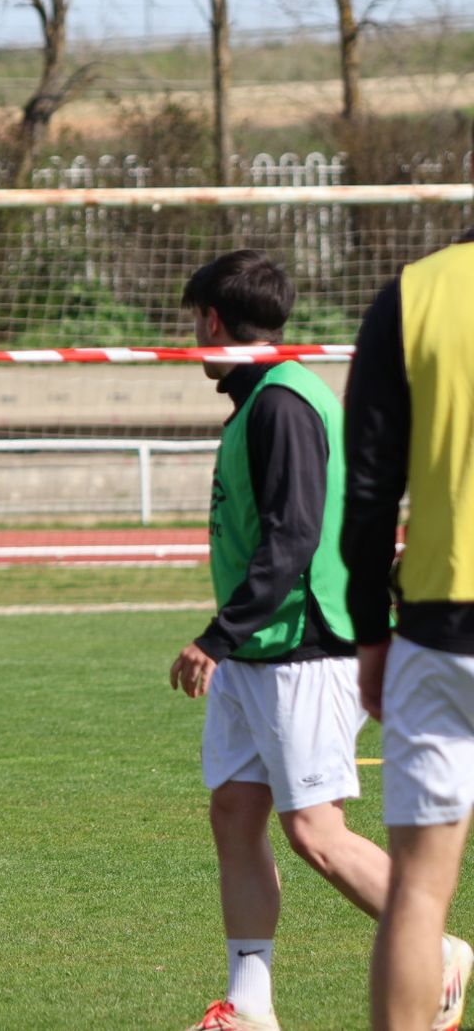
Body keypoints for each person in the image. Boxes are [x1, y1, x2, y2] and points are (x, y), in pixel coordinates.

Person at [167, 250, 468, 1031]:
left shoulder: (284, 405)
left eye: (193, 321)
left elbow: (293, 537)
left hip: (303, 646)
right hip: (259, 649)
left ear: (212, 321)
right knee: (235, 809)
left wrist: (215, 636)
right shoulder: (262, 398)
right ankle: (250, 1005)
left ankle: (442, 950)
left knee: (316, 831)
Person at [343, 229, 474, 1030]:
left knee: (420, 891)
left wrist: (367, 632)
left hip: (438, 627)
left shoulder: (414, 294)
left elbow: (366, 488)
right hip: (434, 626)